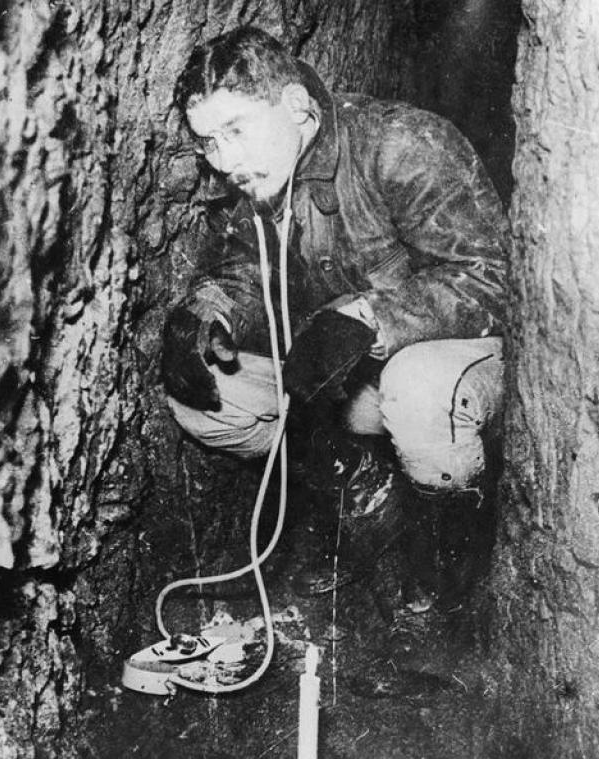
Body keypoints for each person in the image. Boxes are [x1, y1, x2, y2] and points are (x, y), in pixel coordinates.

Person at [161, 26, 508, 613]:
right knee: (203, 394)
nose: (226, 161)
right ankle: (365, 495)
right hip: (344, 379)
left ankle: (445, 560)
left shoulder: (400, 144)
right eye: (209, 142)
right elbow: (247, 269)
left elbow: (493, 276)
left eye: (237, 130)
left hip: (453, 367)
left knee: (417, 390)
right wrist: (208, 312)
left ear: (297, 108)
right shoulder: (258, 176)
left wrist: (372, 318)